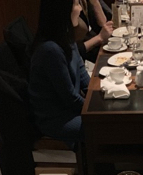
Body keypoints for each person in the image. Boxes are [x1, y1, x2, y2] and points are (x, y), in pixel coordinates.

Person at [29, 0, 90, 146]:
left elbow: (82, 75)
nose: (80, 9)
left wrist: (97, 94)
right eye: (76, 4)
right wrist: (94, 110)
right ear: (62, 12)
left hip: (69, 109)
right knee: (107, 125)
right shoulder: (51, 50)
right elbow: (70, 98)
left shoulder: (66, 37)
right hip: (57, 118)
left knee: (113, 116)